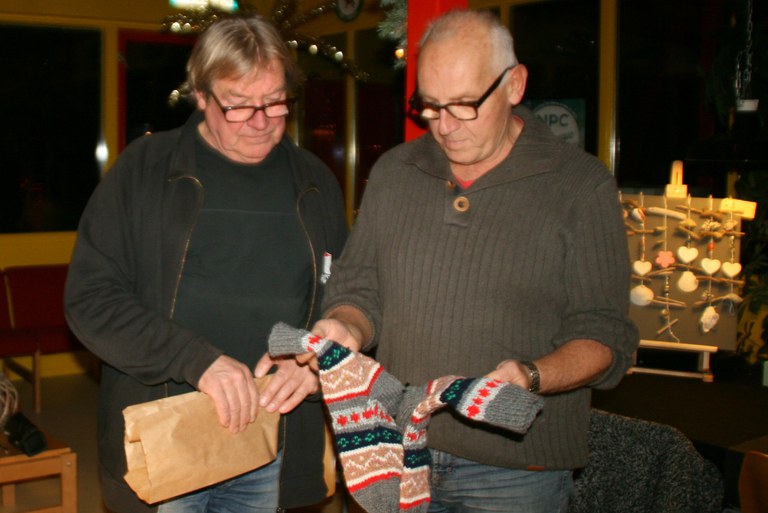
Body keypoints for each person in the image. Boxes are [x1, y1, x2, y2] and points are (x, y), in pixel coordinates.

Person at [311, 9, 639, 513]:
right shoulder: (397, 171)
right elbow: (359, 289)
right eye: (430, 106)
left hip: (515, 471)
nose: (444, 126)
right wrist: (345, 327)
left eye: (464, 105)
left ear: (514, 84)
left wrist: (529, 376)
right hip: (397, 452)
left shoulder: (579, 185)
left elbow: (604, 336)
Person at [64, 14, 347, 513]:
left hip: (270, 440)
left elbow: (347, 297)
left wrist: (316, 361)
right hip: (168, 434)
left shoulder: (315, 180)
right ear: (200, 95)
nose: (261, 122)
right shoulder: (145, 170)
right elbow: (91, 299)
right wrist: (197, 360)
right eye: (238, 106)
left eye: (275, 101)